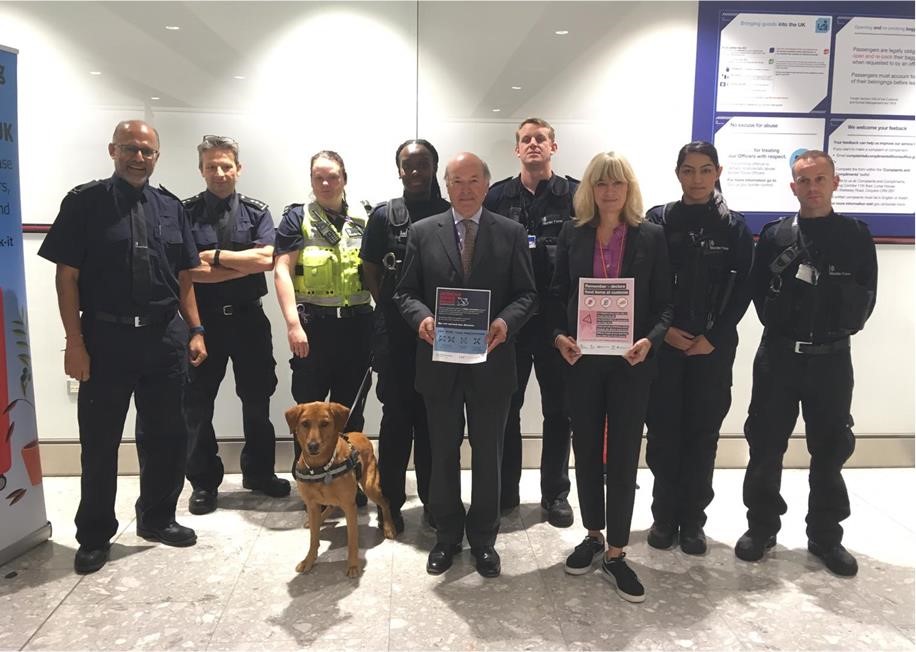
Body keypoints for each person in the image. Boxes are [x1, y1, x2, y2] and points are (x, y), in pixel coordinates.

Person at [38, 120, 206, 574]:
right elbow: (66, 277)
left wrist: (195, 330)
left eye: (147, 151)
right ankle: (95, 534)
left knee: (168, 436)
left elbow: (185, 275)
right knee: (100, 442)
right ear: (112, 150)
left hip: (163, 338)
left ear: (157, 156)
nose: (138, 158)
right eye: (130, 149)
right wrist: (74, 343)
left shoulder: (171, 207)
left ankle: (157, 518)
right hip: (105, 339)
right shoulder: (84, 202)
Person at [394, 152, 537, 578]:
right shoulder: (423, 232)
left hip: (492, 363)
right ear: (447, 186)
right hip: (439, 363)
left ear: (487, 184)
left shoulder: (510, 232)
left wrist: (504, 323)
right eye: (457, 181)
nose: (466, 189)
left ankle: (484, 540)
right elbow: (404, 293)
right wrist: (421, 319)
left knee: (490, 455)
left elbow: (528, 294)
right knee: (441, 452)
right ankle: (447, 536)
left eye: (474, 180)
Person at [735, 150, 877, 577]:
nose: (811, 187)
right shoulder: (776, 235)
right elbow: (758, 293)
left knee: (830, 449)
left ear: (835, 182)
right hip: (778, 356)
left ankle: (825, 535)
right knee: (765, 446)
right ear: (792, 186)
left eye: (819, 179)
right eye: (803, 180)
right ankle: (761, 527)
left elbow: (866, 297)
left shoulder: (855, 235)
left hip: (832, 361)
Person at [549, 151, 672, 603]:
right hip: (582, 361)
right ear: (590, 189)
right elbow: (557, 292)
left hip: (630, 362)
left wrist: (651, 340)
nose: (609, 191)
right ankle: (594, 534)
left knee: (622, 453)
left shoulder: (651, 236)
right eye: (601, 183)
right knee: (585, 448)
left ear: (629, 188)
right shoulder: (572, 233)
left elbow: (665, 303)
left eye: (617, 183)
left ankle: (618, 550)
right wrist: (560, 336)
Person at [643, 141, 754, 554]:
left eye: (705, 170)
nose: (697, 179)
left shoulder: (734, 227)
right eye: (688, 171)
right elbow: (646, 284)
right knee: (663, 433)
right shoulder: (658, 221)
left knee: (702, 435)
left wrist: (715, 337)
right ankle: (663, 516)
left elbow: (744, 290)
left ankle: (692, 522)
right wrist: (663, 330)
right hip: (665, 346)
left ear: (718, 172)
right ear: (677, 174)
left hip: (712, 348)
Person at [182, 135, 289, 516]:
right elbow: (187, 272)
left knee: (258, 400)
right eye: (211, 166)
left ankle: (259, 473)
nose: (219, 172)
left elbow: (266, 258)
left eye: (226, 165)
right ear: (202, 170)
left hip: (248, 319)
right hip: (203, 323)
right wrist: (237, 265)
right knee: (197, 406)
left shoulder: (257, 211)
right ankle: (203, 483)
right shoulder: (186, 211)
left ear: (238, 169)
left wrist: (215, 258)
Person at [484, 118, 577, 527]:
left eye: (541, 139)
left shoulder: (576, 195)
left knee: (560, 411)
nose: (534, 145)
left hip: (559, 324)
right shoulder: (496, 196)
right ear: (516, 150)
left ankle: (555, 494)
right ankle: (506, 492)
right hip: (511, 323)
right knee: (508, 408)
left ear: (553, 147)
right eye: (526, 140)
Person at [359, 139, 451, 533]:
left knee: (435, 422)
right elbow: (370, 270)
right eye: (407, 166)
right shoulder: (384, 216)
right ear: (398, 170)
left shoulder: (451, 212)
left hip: (441, 335)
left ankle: (435, 502)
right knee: (396, 423)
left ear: (434, 167)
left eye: (423, 165)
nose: (415, 172)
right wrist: (399, 312)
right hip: (395, 336)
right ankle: (390, 503)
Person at [274, 150, 373, 484]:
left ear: (344, 177)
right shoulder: (296, 218)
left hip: (357, 326)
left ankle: (349, 480)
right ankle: (310, 482)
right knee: (308, 415)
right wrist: (292, 325)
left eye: (332, 176)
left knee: (350, 413)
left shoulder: (367, 217)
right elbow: (282, 271)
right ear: (311, 180)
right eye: (319, 177)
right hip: (313, 328)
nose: (326, 183)